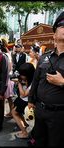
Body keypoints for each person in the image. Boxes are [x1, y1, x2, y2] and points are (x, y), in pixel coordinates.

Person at [28, 11, 64, 147]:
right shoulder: (45, 57)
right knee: (39, 142)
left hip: (60, 115)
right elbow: (36, 80)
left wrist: (62, 82)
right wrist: (31, 100)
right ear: (54, 34)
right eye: (62, 25)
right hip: (40, 110)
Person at [11, 63, 35, 139]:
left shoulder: (33, 82)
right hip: (22, 99)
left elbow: (23, 94)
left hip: (26, 101)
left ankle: (24, 133)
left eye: (22, 74)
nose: (21, 76)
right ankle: (24, 125)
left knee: (14, 113)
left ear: (28, 74)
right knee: (15, 112)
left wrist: (19, 84)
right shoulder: (27, 79)